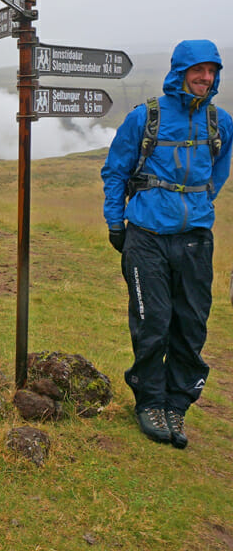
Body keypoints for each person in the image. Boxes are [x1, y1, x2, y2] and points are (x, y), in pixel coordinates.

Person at [101, 39, 233, 448]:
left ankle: (177, 405)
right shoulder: (145, 118)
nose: (206, 78)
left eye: (212, 71)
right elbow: (115, 172)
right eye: (199, 71)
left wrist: (193, 206)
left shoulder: (220, 122)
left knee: (191, 325)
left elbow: (219, 172)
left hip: (194, 239)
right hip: (146, 237)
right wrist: (116, 224)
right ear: (180, 71)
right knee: (152, 322)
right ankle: (150, 402)